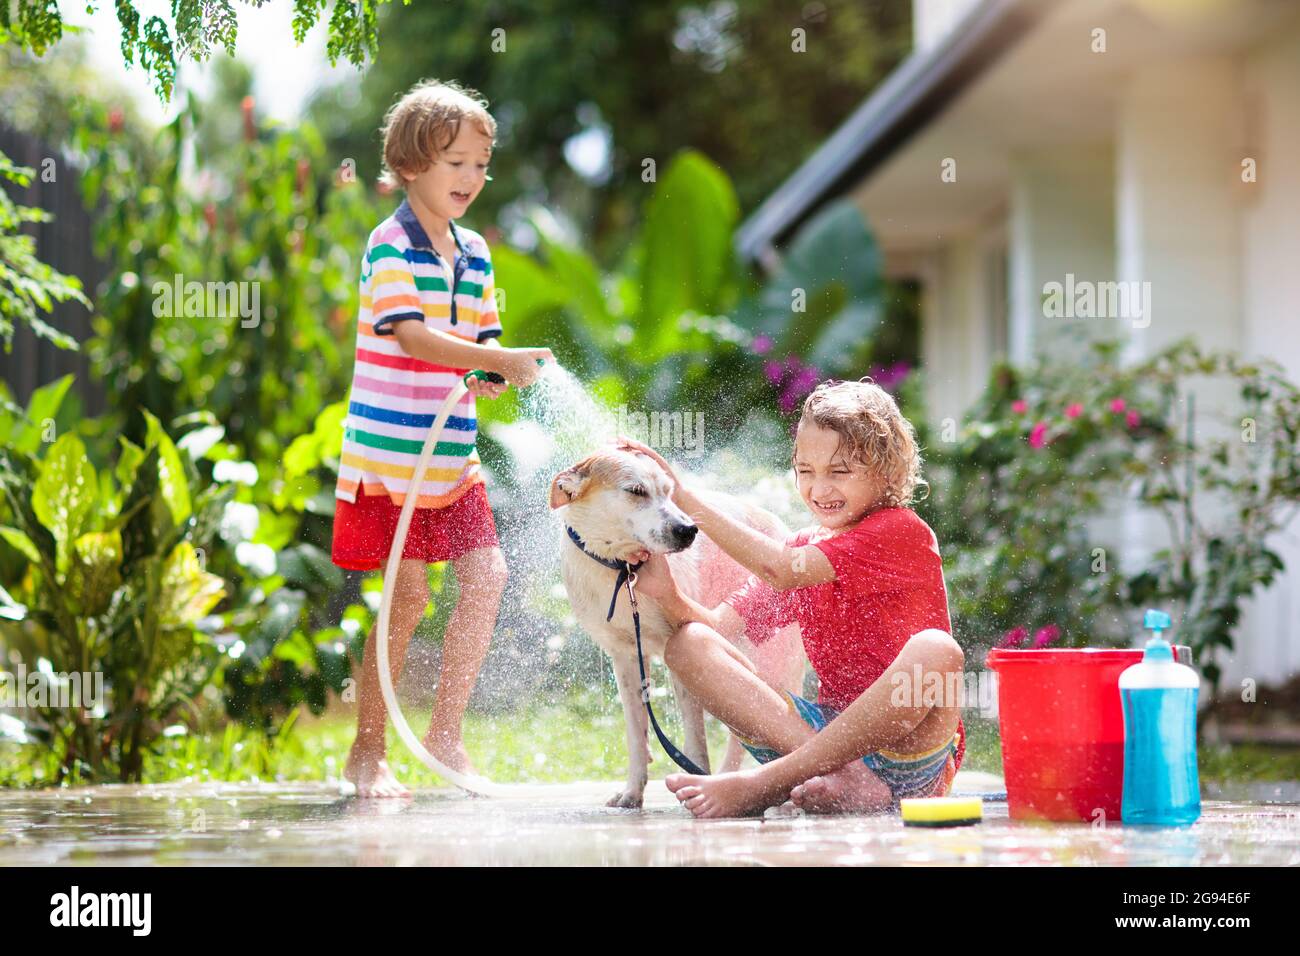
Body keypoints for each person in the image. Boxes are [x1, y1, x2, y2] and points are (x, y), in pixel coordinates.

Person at [332, 79, 553, 798]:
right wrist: (491, 359)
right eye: (455, 162)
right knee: (405, 599)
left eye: (480, 165)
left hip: (449, 457)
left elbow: (479, 336)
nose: (471, 178)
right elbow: (416, 337)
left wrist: (494, 368)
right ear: (410, 164)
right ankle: (368, 752)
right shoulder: (388, 244)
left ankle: (446, 738)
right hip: (390, 460)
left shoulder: (477, 251)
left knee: (486, 578)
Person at [620, 378, 965, 817]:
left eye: (839, 472)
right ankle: (844, 781)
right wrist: (667, 595)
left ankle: (769, 781)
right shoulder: (804, 545)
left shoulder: (900, 531)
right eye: (806, 471)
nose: (819, 489)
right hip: (822, 742)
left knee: (937, 649)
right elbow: (718, 631)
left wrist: (686, 500)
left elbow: (782, 569)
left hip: (912, 752)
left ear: (889, 473)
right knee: (688, 644)